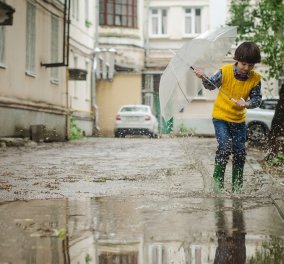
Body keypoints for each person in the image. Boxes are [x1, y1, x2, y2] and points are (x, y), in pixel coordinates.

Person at [194, 42, 262, 192]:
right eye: (244, 64)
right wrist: (203, 77)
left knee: (239, 151)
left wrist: (247, 103)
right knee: (224, 147)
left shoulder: (255, 79)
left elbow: (257, 100)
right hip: (221, 117)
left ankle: (237, 188)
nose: (246, 68)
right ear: (237, 59)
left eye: (251, 65)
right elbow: (210, 85)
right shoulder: (224, 72)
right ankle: (217, 186)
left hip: (239, 120)